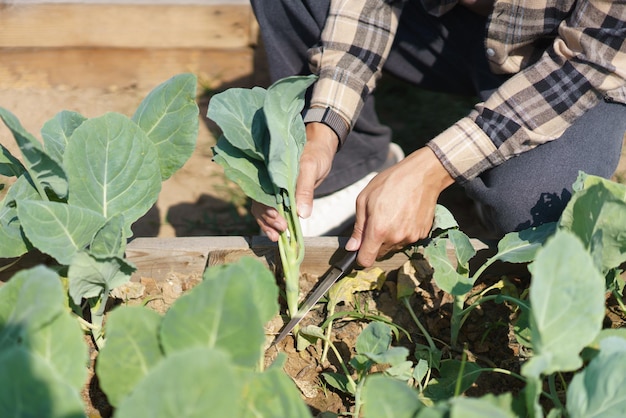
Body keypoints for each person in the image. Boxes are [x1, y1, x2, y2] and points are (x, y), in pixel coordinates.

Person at [250, 0, 626, 268]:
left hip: (578, 64)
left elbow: (586, 66)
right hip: (457, 28)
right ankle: (354, 169)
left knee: (534, 217)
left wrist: (430, 171)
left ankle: (487, 179)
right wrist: (322, 130)